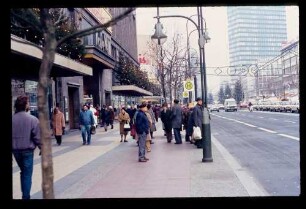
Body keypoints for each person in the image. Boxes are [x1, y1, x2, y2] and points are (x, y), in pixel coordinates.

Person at [12, 95, 41, 199]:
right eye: (28, 103)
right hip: (27, 151)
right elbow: (37, 137)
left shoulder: (13, 119)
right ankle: (26, 196)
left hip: (15, 151)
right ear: (25, 105)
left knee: (23, 172)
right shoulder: (33, 119)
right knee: (27, 174)